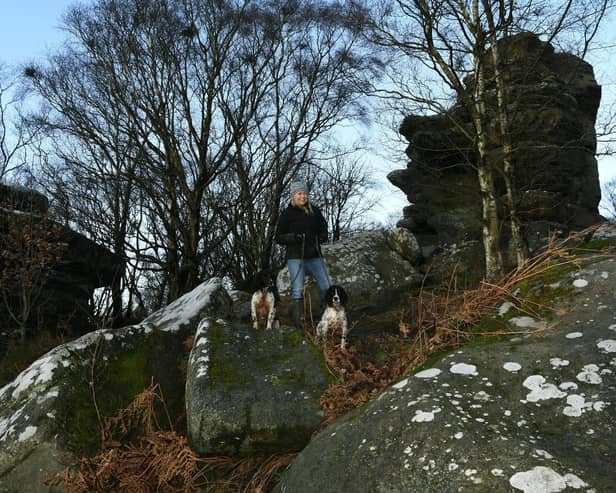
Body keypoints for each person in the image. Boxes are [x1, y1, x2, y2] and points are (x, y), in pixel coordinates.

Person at [275, 179, 331, 328]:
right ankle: (299, 325)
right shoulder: (287, 214)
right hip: (295, 257)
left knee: (326, 286)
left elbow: (324, 229)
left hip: (314, 255)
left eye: (305, 194)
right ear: (293, 196)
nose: (303, 197)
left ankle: (331, 318)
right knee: (297, 290)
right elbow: (278, 237)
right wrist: (295, 237)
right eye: (299, 193)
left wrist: (322, 236)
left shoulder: (315, 211)